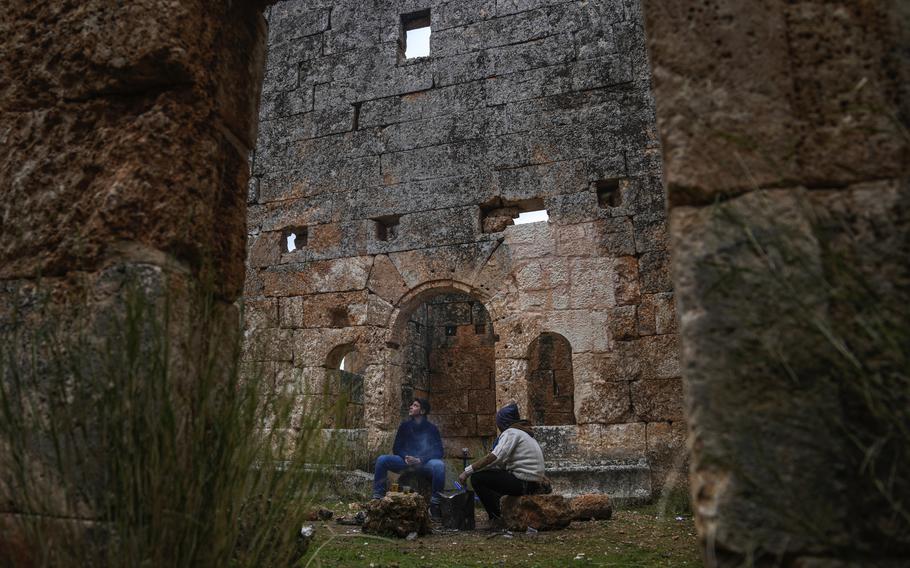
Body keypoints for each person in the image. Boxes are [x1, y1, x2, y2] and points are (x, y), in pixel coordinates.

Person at [458, 402, 549, 527]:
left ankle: (495, 518)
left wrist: (467, 471)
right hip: (532, 483)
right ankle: (502, 513)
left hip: (523, 483)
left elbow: (495, 457)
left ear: (503, 422)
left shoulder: (511, 433)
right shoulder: (523, 433)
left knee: (478, 479)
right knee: (493, 477)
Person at [372, 398, 446, 518]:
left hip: (424, 464)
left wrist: (420, 459)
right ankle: (377, 498)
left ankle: (435, 504)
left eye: (415, 405)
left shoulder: (432, 429)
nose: (411, 407)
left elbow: (439, 451)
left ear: (422, 411)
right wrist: (405, 456)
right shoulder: (404, 426)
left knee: (439, 465)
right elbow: (397, 447)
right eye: (411, 404)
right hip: (405, 462)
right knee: (382, 460)